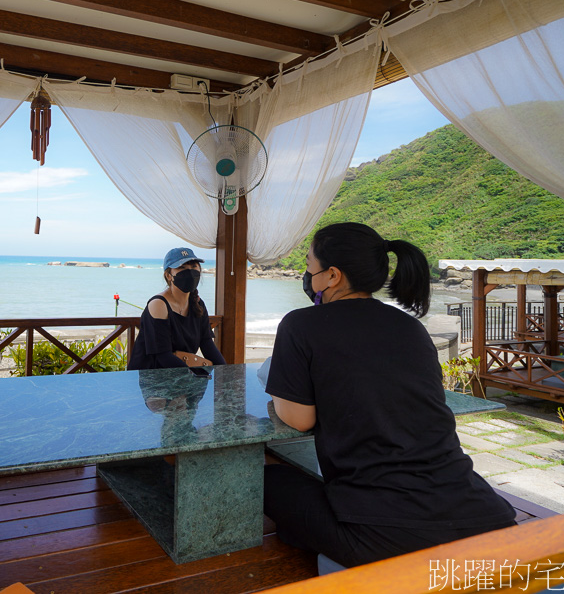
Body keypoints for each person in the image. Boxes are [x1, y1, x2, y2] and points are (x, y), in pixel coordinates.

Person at [264, 222, 515, 568]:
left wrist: (279, 392)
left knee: (268, 479)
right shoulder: (410, 326)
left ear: (332, 275)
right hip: (481, 514)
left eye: (309, 267)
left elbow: (300, 418)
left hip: (387, 532)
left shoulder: (301, 324)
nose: (307, 276)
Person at [128, 247, 226, 370]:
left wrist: (226, 372)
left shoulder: (198, 304)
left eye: (194, 267)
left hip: (180, 374)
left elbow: (206, 343)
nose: (190, 272)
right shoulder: (159, 304)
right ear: (169, 275)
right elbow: (162, 355)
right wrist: (194, 375)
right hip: (151, 376)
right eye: (182, 268)